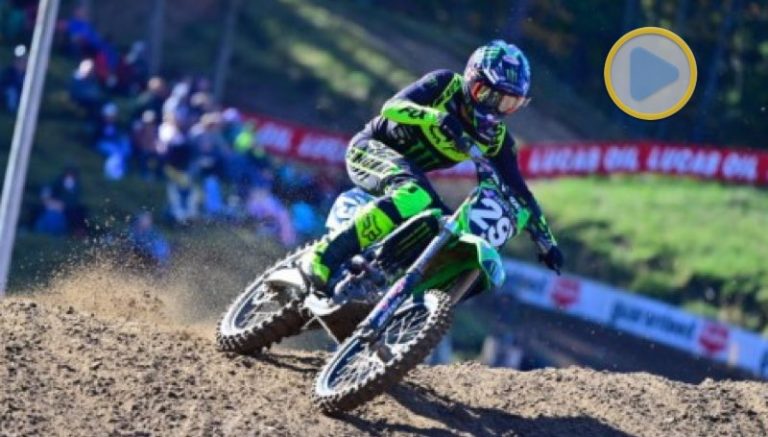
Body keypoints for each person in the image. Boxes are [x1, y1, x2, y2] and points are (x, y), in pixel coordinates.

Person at [301, 40, 564, 293]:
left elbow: (521, 192)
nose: (495, 107)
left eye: (508, 102)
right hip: (370, 149)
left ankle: (383, 280)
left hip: (409, 176)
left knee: (444, 227)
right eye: (489, 95)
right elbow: (391, 108)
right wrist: (436, 118)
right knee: (415, 194)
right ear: (472, 80)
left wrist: (547, 243)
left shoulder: (497, 140)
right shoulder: (445, 84)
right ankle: (323, 256)